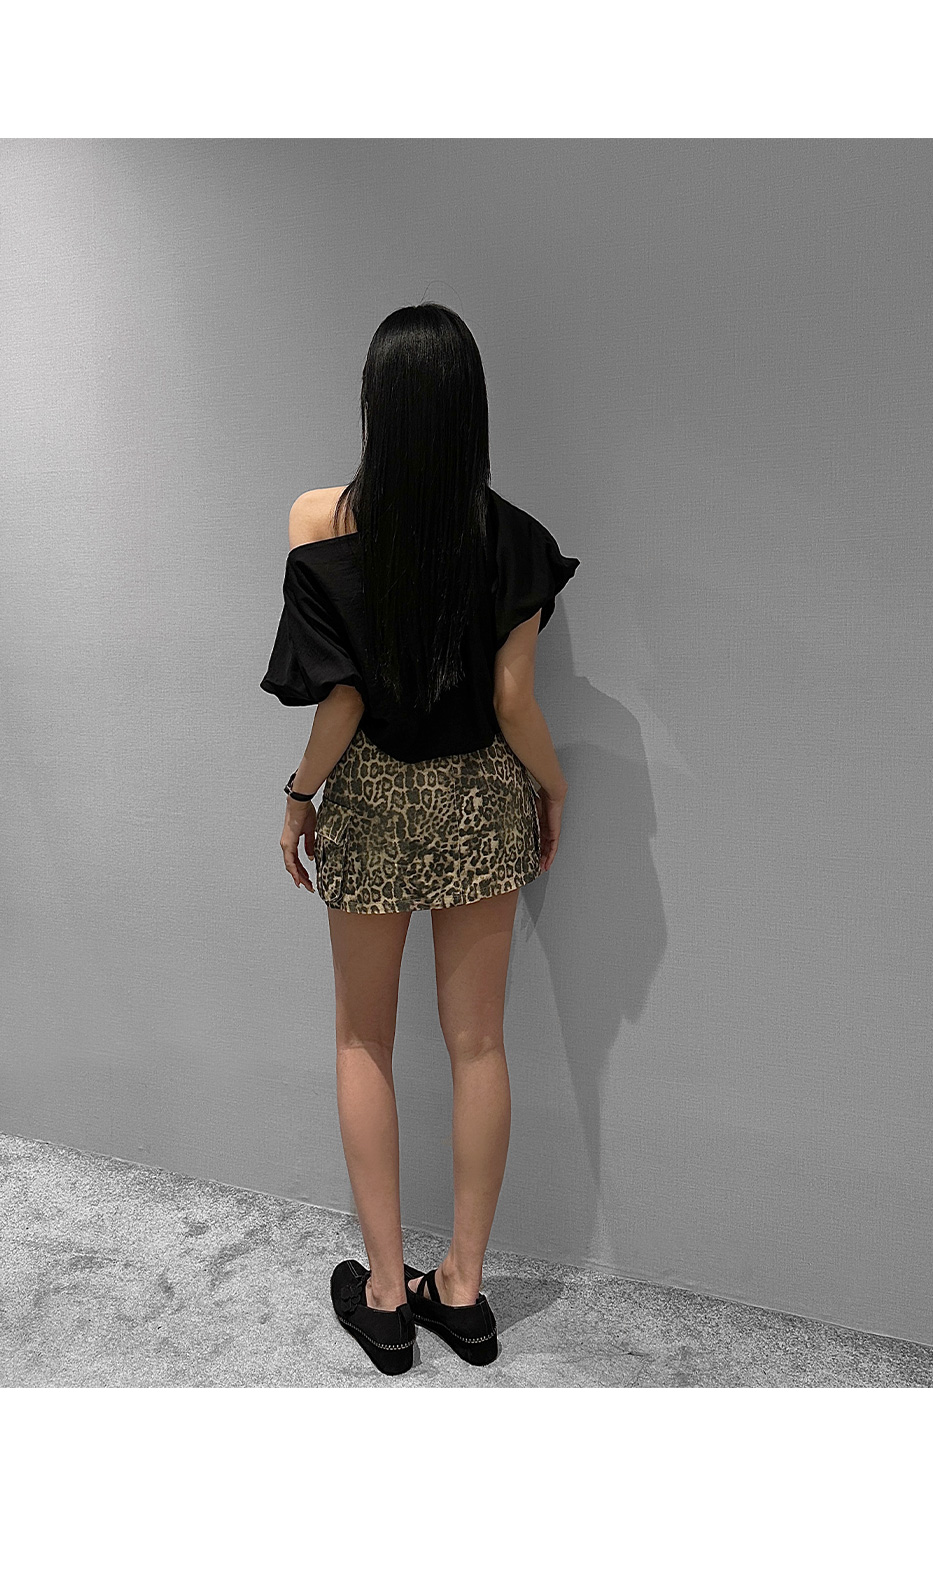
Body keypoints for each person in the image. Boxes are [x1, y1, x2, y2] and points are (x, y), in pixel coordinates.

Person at [260, 303, 580, 1376]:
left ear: (377, 406)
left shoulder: (320, 518)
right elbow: (513, 699)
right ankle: (467, 1294)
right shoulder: (514, 537)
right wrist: (553, 789)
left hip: (370, 800)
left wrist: (298, 796)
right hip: (482, 795)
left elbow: (342, 699)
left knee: (363, 1040)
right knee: (479, 1043)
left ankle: (388, 1298)